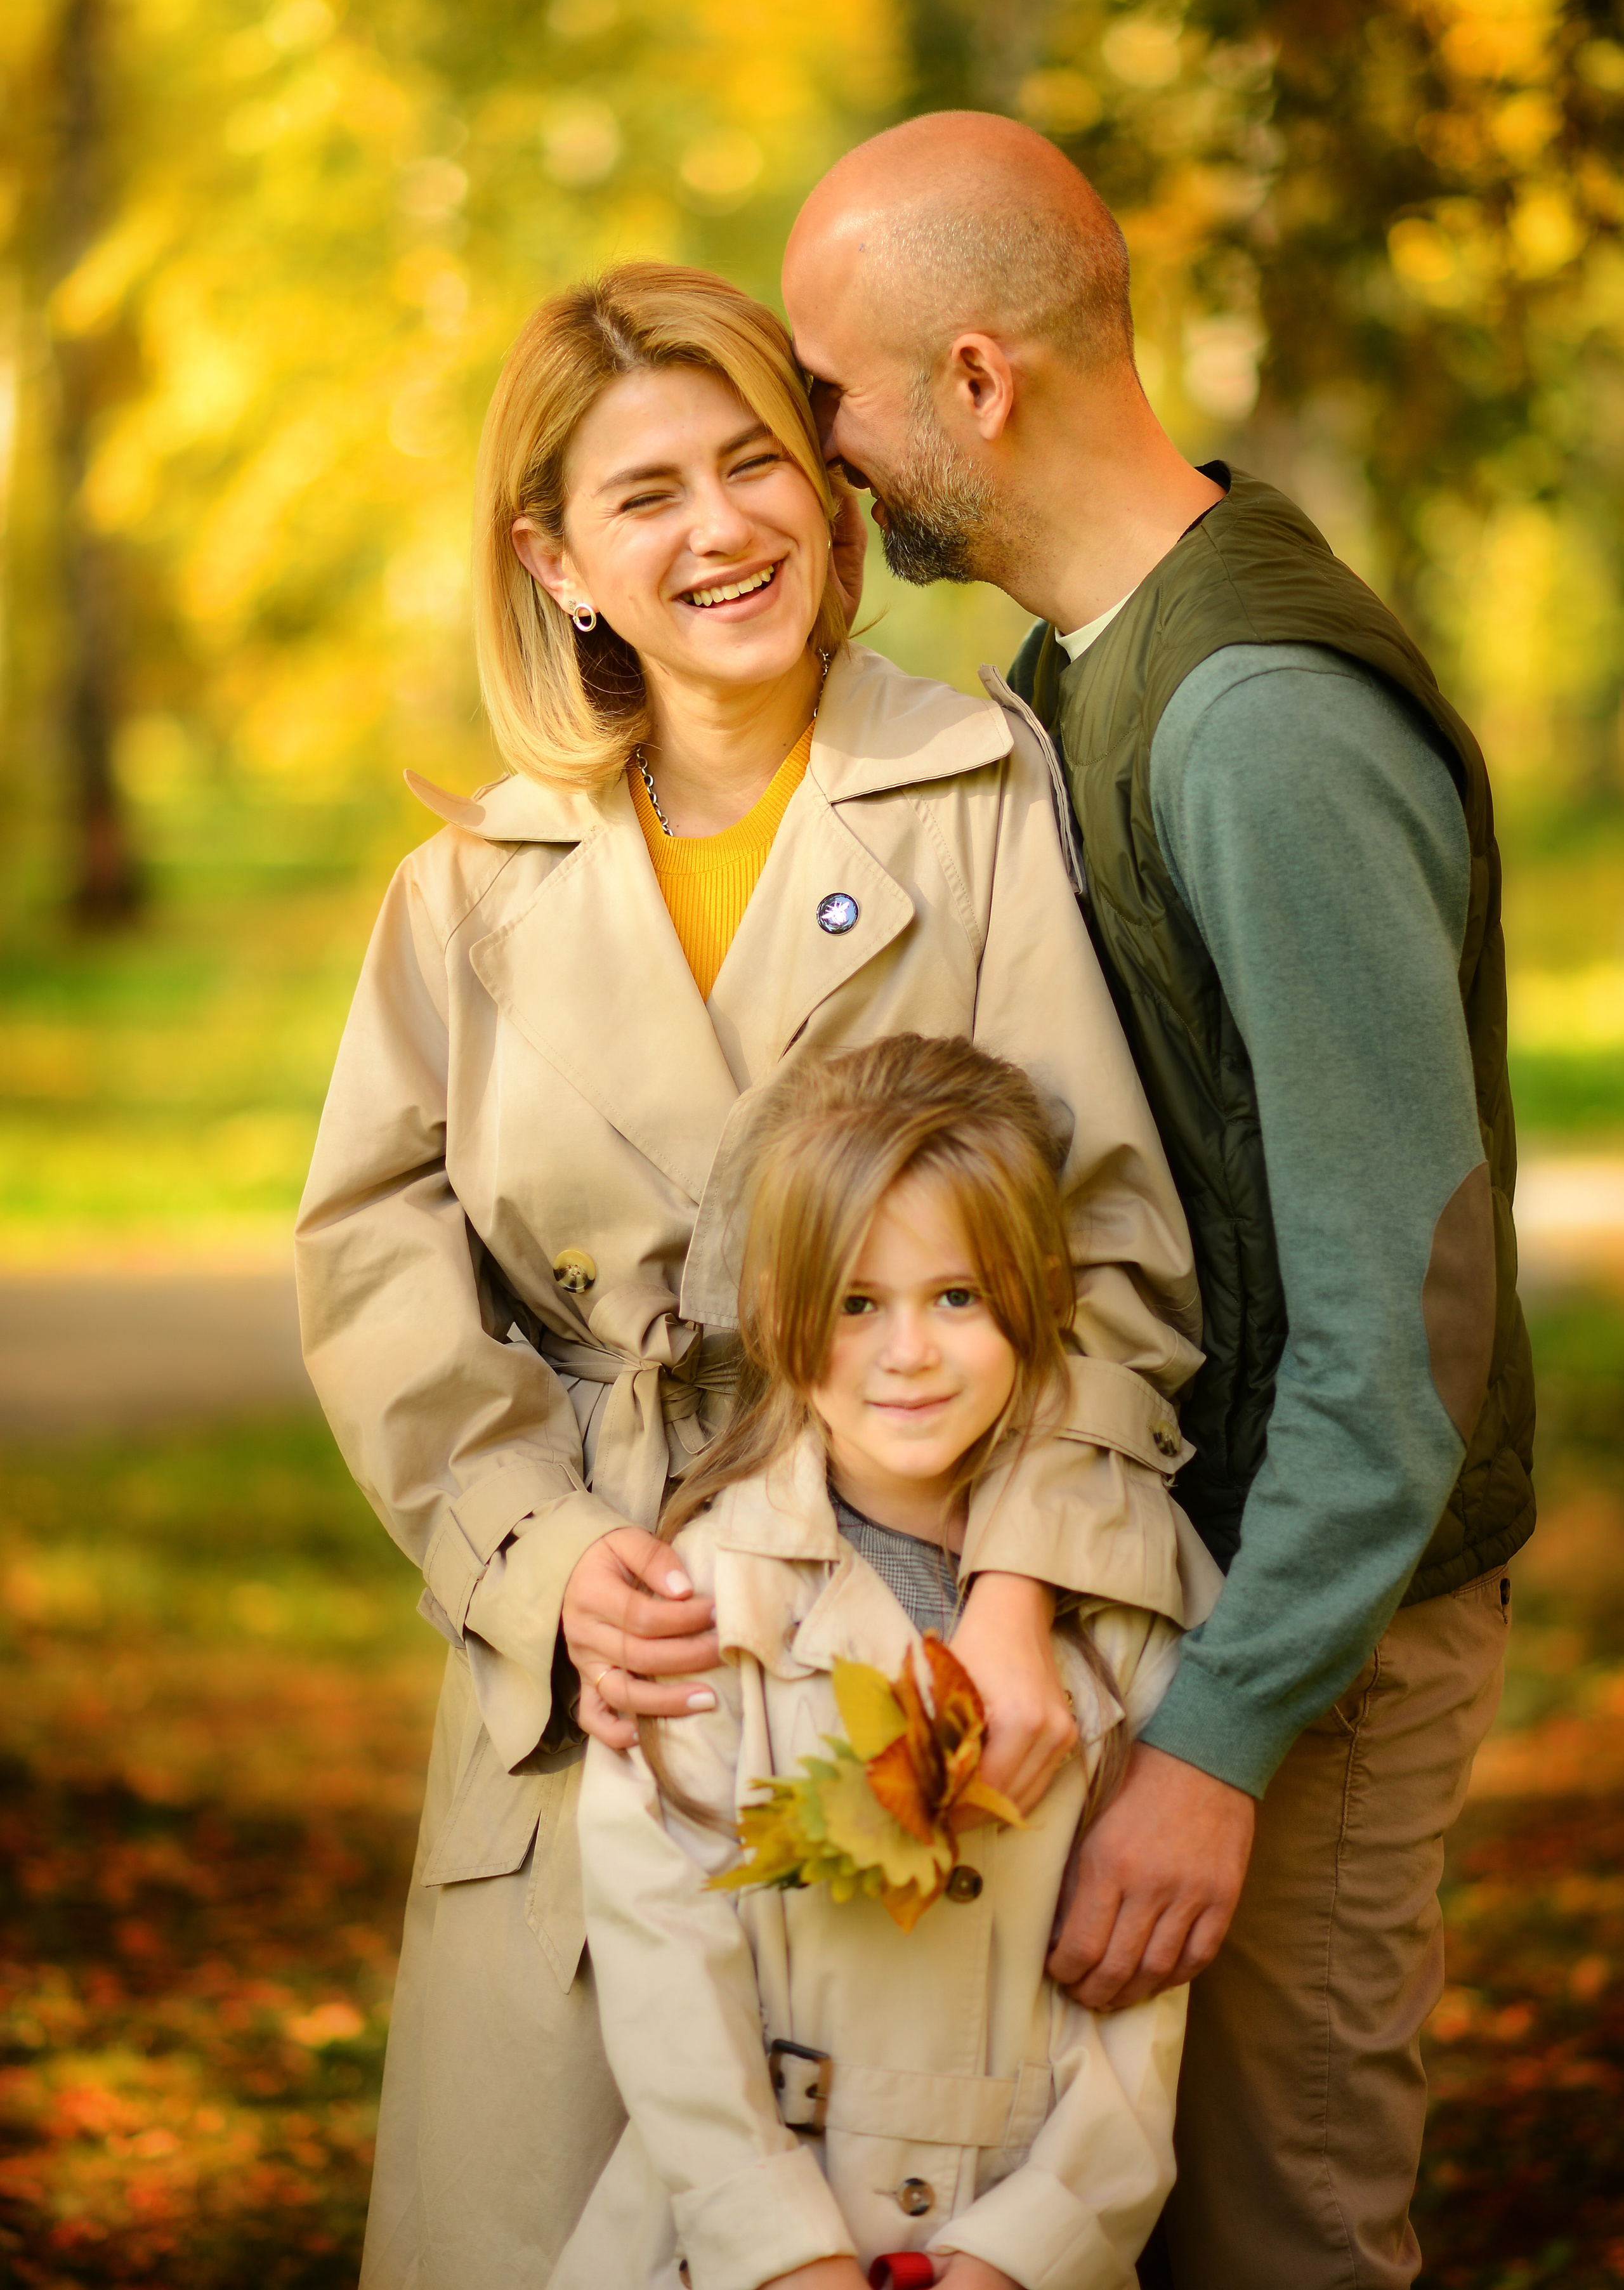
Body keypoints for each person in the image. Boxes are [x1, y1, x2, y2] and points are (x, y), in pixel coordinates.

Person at [294, 259, 1205, 2288]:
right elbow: (374, 1272)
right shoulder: (467, 889)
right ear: (557, 562)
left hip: (924, 1634)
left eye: (754, 462)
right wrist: (541, 1564)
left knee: (907, 2209)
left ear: (824, 482)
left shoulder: (976, 795)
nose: (721, 529)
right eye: (645, 495)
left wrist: (1025, 1590)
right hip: (618, 1648)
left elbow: (1112, 1245)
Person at [782, 114, 1534, 2290]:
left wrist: (1219, 1743)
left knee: (1277, 2232)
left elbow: (1407, 1325)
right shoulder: (1084, 671)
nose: (820, 451)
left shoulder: (1258, 725)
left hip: (1327, 1639)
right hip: (1195, 1591)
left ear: (977, 380)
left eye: (833, 395)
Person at [553, 1033, 1222, 2290]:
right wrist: (784, 2254)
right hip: (730, 2250)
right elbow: (663, 1965)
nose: (907, 1352)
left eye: (956, 1298)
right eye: (857, 1305)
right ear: (779, 1313)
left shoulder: (1119, 1610)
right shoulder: (705, 1597)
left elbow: (1139, 2024)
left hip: (1010, 2229)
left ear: (1036, 1297)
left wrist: (1023, 2254)